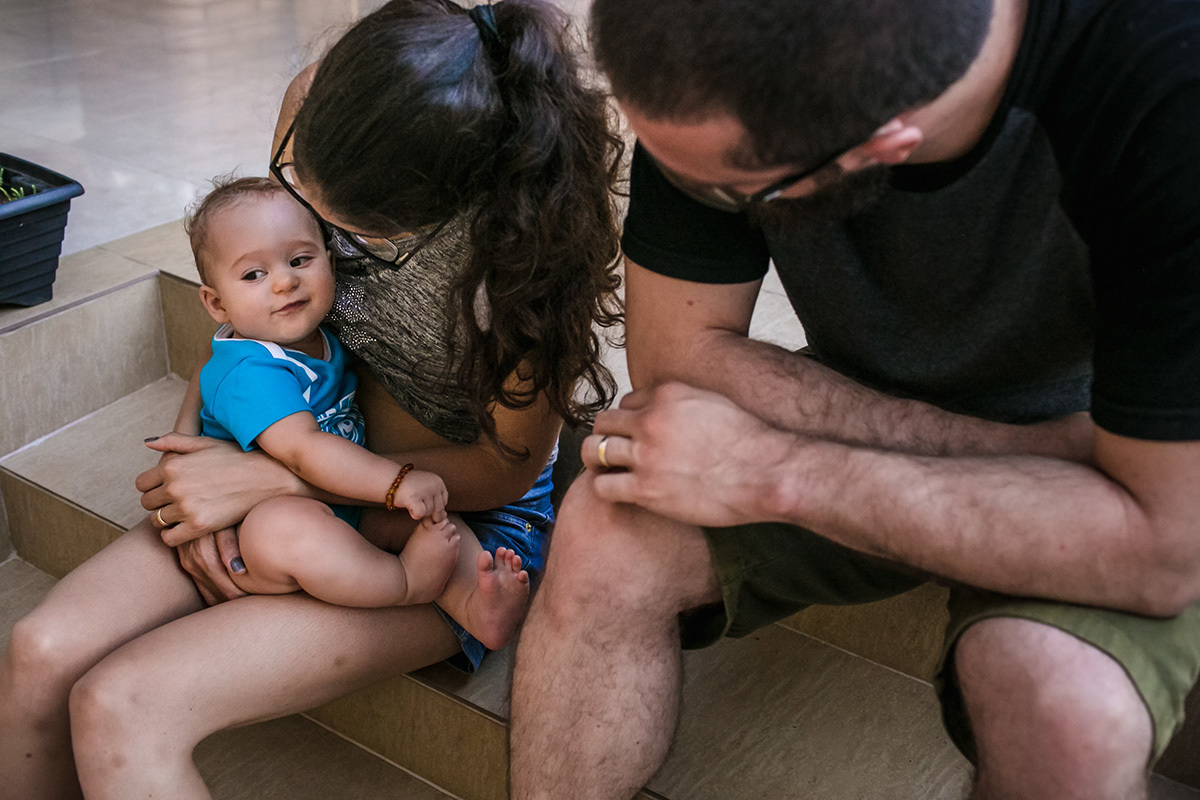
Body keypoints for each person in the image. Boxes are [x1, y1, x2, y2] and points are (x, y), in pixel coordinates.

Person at [509, 1, 1200, 799]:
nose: (691, 197)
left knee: (1065, 699)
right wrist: (1041, 456)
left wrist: (778, 470)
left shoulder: (1165, 97)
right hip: (1046, 447)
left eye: (730, 195)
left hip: (1121, 448)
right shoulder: (713, 56)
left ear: (884, 148)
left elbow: (1164, 548)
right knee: (605, 527)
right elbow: (678, 357)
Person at [0, 0, 622, 797]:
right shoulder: (317, 111)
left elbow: (501, 471)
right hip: (287, 450)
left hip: (438, 522)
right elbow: (248, 302)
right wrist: (205, 455)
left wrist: (283, 480)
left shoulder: (533, 253)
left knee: (121, 705)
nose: (316, 236)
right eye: (301, 190)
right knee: (39, 651)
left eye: (350, 235)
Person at [187, 175, 474, 609]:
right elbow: (303, 450)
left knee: (435, 521)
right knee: (290, 529)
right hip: (260, 522)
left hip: (338, 499)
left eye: (300, 260)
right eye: (253, 274)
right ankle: (405, 583)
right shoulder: (249, 370)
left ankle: (478, 600)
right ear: (216, 304)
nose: (284, 282)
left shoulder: (322, 331)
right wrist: (395, 483)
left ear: (331, 264)